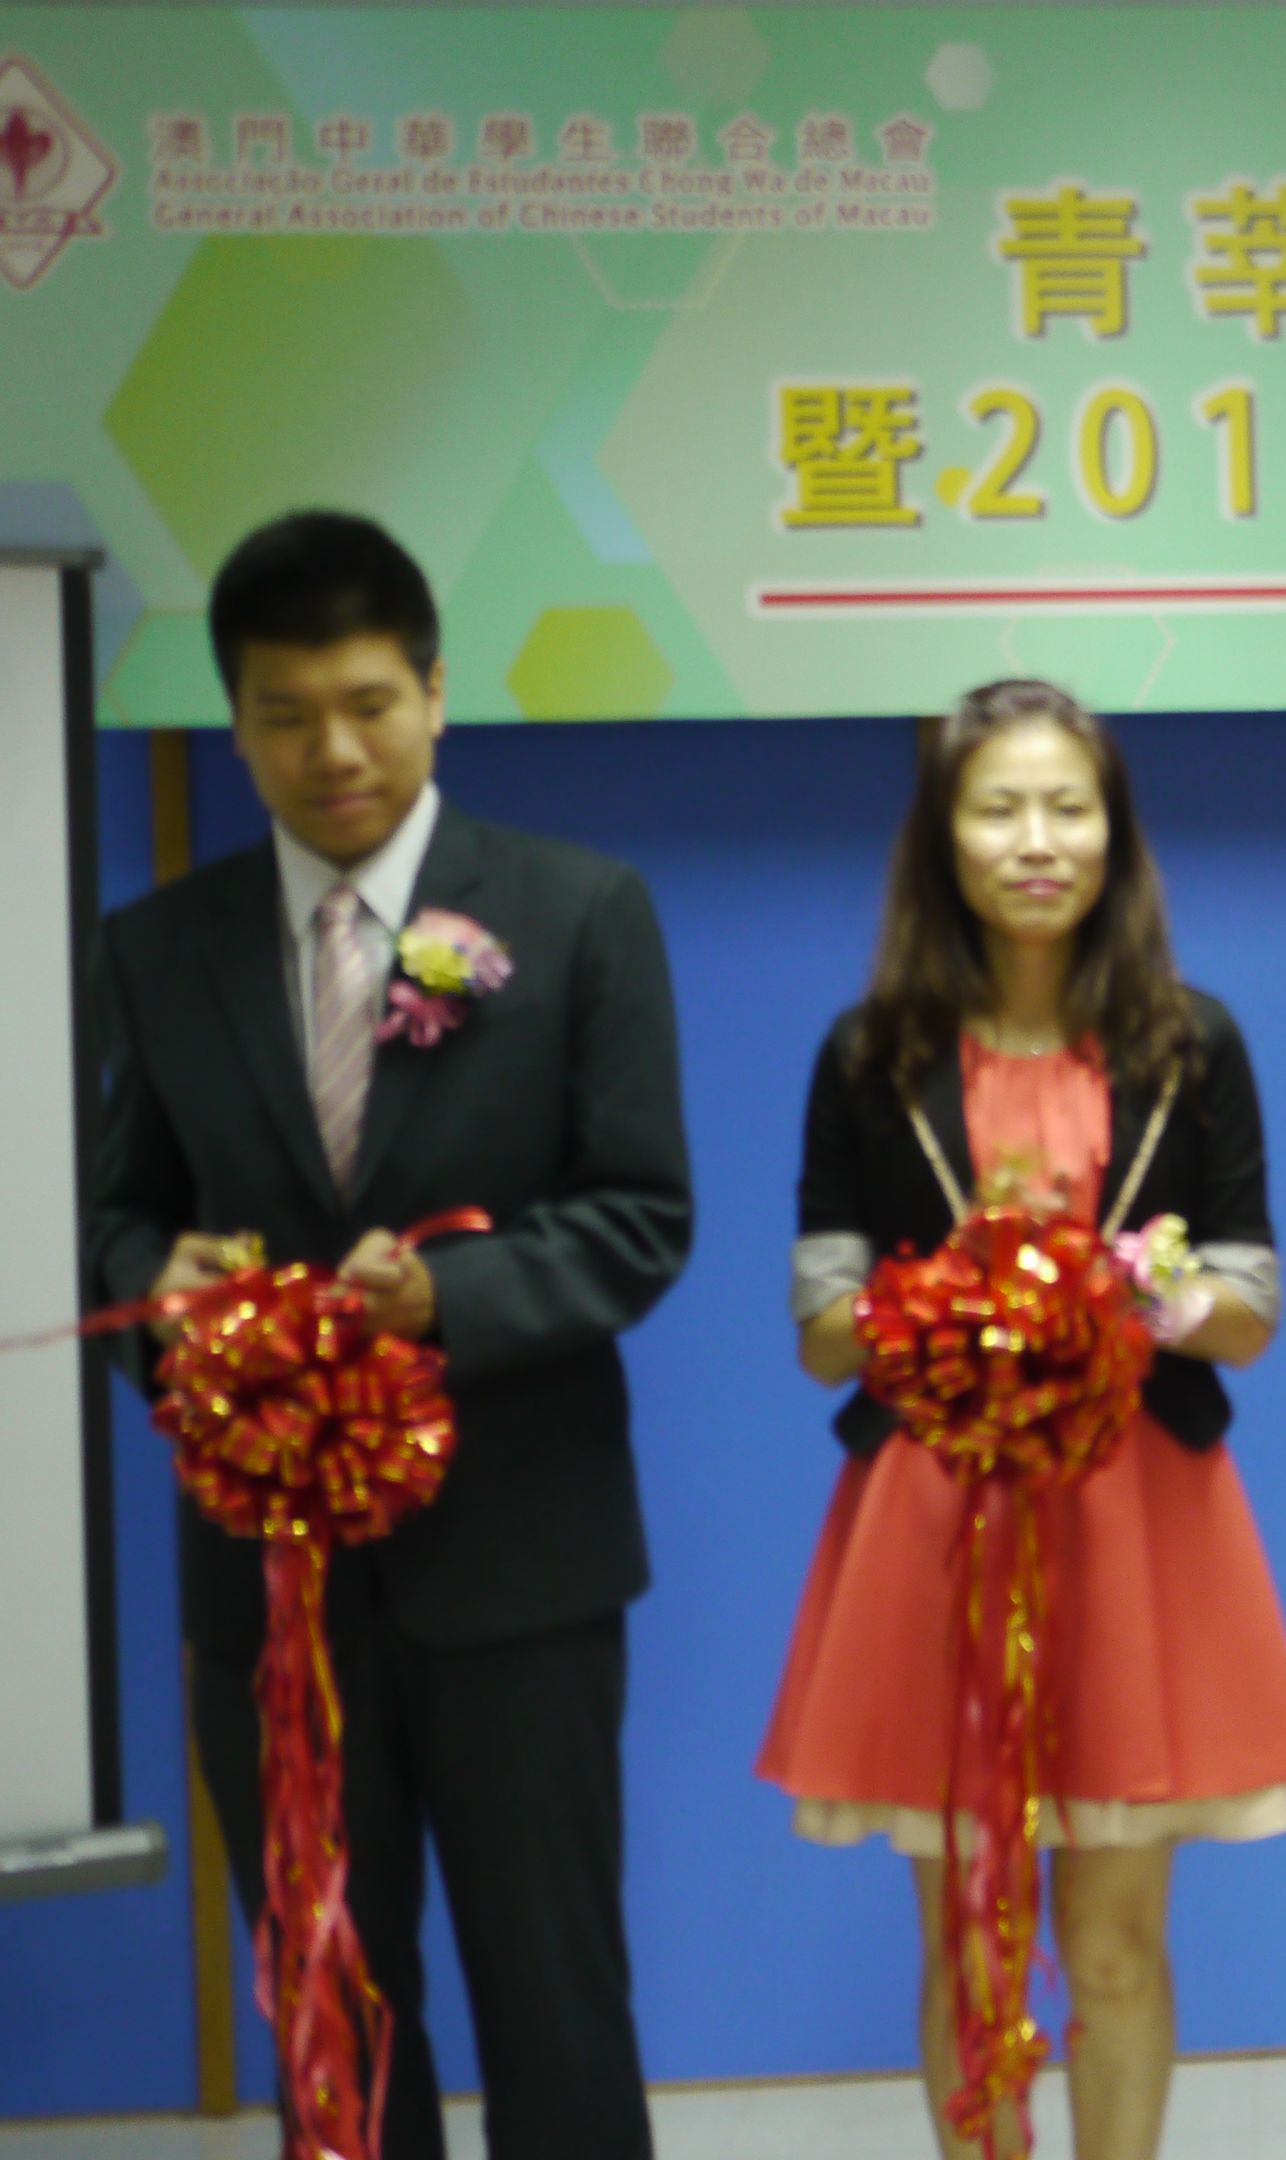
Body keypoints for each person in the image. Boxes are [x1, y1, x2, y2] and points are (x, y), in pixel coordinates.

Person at [86, 509, 691, 2160]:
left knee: (557, 1998)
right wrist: (169, 1294)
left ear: (436, 693)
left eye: (367, 704)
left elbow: (642, 1218)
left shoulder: (579, 913)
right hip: (270, 1582)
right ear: (235, 725)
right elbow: (115, 1218)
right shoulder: (159, 948)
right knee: (328, 2000)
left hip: (523, 1567)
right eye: (285, 715)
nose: (333, 751)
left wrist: (447, 1300)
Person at [758, 680, 1286, 2160]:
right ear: (941, 840)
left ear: (1113, 837)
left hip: (1138, 1519)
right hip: (934, 1519)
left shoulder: (1193, 1042)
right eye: (997, 807)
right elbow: (820, 1329)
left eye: (1069, 807)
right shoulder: (868, 1053)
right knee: (970, 1939)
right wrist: (955, 1301)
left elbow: (1251, 1308)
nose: (1036, 841)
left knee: (1117, 1946)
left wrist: (1123, 1294)